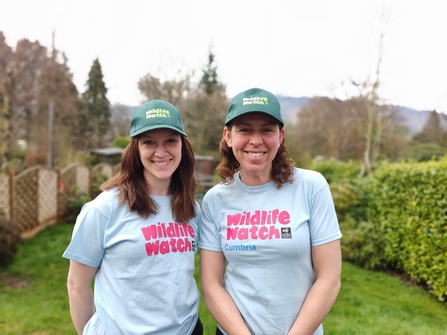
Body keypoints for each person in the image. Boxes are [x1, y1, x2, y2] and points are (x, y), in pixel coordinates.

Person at [198, 88, 342, 335]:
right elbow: (212, 285)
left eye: (267, 130)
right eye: (244, 129)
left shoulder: (311, 187)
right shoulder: (215, 199)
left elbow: (329, 278)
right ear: (228, 136)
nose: (256, 140)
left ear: (280, 136)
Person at [63, 100, 203, 335]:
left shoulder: (192, 209)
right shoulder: (105, 209)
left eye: (170, 140)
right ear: (136, 149)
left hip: (187, 330)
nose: (161, 152)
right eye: (149, 142)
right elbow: (76, 285)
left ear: (182, 145)